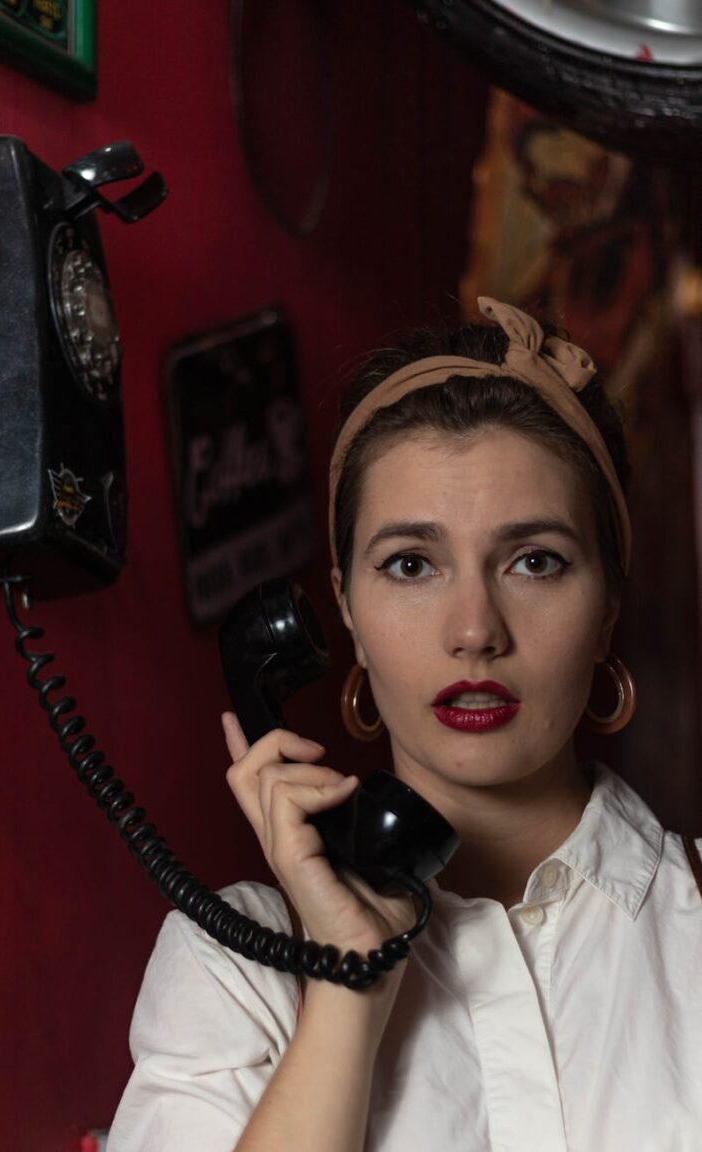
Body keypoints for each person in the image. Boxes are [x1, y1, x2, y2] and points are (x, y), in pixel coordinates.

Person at [108, 298, 702, 1152]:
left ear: (608, 602)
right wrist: (347, 989)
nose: (474, 629)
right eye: (411, 565)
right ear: (344, 607)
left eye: (534, 560)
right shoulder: (233, 966)